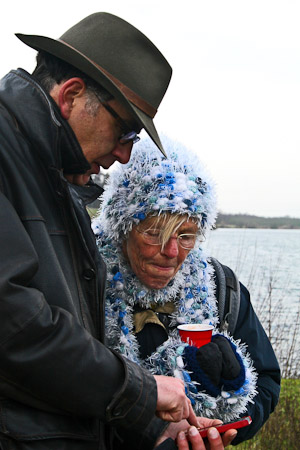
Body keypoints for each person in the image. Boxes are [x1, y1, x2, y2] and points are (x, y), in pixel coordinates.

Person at [0, 12, 227, 450]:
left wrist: (151, 427)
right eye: (124, 130)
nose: (123, 155)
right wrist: (140, 390)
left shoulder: (57, 183)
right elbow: (14, 325)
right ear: (71, 96)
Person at [93, 136, 281, 447]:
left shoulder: (222, 286)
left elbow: (267, 381)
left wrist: (216, 424)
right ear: (122, 225)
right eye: (155, 233)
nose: (171, 251)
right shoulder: (83, 277)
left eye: (186, 235)